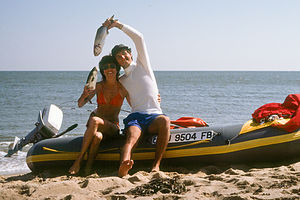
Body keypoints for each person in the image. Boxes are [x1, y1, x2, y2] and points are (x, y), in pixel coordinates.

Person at [103, 18, 170, 177]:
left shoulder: (143, 65)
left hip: (154, 116)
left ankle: (156, 165)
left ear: (130, 54)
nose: (123, 57)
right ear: (117, 62)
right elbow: (108, 91)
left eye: (125, 53)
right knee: (132, 138)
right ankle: (124, 166)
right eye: (119, 56)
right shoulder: (121, 80)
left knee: (165, 121)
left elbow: (139, 37)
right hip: (136, 117)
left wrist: (117, 25)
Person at [69, 55, 130, 175]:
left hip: (113, 127)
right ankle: (89, 167)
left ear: (117, 69)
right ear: (102, 71)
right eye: (106, 67)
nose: (109, 69)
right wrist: (84, 94)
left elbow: (136, 104)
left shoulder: (122, 89)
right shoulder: (98, 86)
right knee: (97, 137)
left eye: (112, 66)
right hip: (97, 127)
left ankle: (78, 160)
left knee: (95, 120)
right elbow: (80, 104)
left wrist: (154, 99)